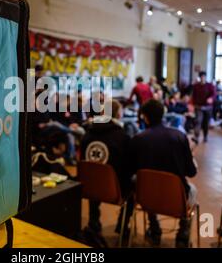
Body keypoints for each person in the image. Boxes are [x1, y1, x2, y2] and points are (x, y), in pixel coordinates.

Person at [128, 100, 198, 247]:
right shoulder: (179, 136)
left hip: (146, 197)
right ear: (163, 114)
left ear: (145, 117)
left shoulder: (137, 140)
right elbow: (191, 172)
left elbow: (131, 170)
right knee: (193, 190)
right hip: (176, 197)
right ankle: (182, 234)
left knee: (144, 182)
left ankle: (154, 229)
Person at [81, 99, 133, 236]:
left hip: (88, 187)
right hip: (114, 190)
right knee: (133, 184)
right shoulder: (123, 137)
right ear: (118, 114)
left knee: (95, 174)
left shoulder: (86, 135)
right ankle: (123, 225)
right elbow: (129, 167)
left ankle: (93, 222)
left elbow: (83, 162)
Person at [191, 71, 216, 143]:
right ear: (200, 77)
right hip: (199, 107)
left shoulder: (210, 85)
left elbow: (214, 94)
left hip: (208, 107)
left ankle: (205, 136)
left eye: (204, 77)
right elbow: (194, 96)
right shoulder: (196, 86)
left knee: (205, 123)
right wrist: (194, 104)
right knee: (198, 121)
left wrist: (211, 99)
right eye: (201, 77)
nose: (202, 78)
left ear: (205, 77)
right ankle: (196, 136)